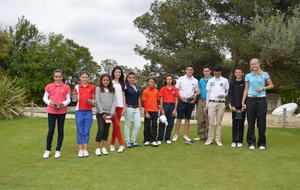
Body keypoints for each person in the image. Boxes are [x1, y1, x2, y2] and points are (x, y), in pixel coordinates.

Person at [242, 58, 274, 150]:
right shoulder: (248, 76)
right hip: (250, 99)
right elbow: (246, 89)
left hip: (261, 100)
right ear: (250, 66)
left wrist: (263, 88)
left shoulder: (264, 74)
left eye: (255, 64)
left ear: (259, 64)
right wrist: (243, 101)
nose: (254, 66)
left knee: (261, 122)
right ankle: (251, 143)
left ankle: (262, 143)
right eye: (252, 64)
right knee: (250, 121)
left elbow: (271, 85)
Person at [42, 69, 71, 159]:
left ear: (62, 77)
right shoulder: (49, 86)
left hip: (61, 112)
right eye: (56, 76)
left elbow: (68, 99)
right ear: (53, 77)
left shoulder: (66, 87)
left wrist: (62, 104)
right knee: (51, 130)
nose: (58, 78)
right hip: (51, 111)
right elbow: (45, 98)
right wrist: (50, 103)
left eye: (59, 76)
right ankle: (47, 150)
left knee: (60, 130)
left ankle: (58, 150)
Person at [172, 64, 199, 142]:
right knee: (179, 118)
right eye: (188, 69)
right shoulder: (181, 79)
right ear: (186, 71)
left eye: (191, 70)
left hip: (190, 101)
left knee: (187, 118)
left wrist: (194, 99)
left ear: (193, 71)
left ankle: (186, 135)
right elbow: (176, 90)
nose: (190, 71)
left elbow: (196, 91)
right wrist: (180, 98)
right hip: (181, 100)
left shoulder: (195, 80)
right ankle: (176, 135)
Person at [205, 66, 229, 147]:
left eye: (218, 72)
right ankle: (209, 139)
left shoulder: (225, 80)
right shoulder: (210, 80)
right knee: (211, 122)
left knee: (218, 122)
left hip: (221, 103)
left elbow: (228, 91)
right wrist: (207, 105)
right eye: (215, 72)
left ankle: (218, 140)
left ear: (221, 72)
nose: (216, 73)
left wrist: (224, 95)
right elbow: (208, 93)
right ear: (213, 72)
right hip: (211, 103)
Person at [73, 71, 96, 158]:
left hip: (88, 111)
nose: (84, 79)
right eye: (83, 77)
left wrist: (92, 102)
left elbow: (94, 100)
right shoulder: (76, 87)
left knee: (86, 130)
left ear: (88, 78)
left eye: (86, 77)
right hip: (79, 111)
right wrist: (75, 97)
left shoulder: (92, 87)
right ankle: (80, 149)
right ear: (80, 78)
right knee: (80, 130)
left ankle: (85, 149)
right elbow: (74, 98)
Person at [95, 74, 117, 156]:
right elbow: (97, 101)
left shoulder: (112, 89)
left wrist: (111, 113)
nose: (105, 81)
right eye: (104, 80)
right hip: (101, 113)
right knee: (100, 130)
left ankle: (104, 147)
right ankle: (97, 148)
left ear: (109, 81)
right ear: (101, 81)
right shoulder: (98, 89)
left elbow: (114, 101)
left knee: (106, 130)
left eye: (107, 80)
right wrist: (102, 112)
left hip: (109, 114)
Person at [157, 74, 179, 145]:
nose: (169, 80)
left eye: (170, 79)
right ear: (165, 81)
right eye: (167, 79)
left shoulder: (175, 89)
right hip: (165, 105)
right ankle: (160, 138)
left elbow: (176, 99)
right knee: (162, 122)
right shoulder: (163, 89)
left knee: (170, 123)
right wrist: (162, 109)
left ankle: (167, 138)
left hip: (172, 106)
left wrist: (175, 109)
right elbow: (161, 99)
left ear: (172, 80)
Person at [194, 66, 212, 141]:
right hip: (201, 101)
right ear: (203, 72)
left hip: (210, 101)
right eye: (205, 71)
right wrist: (196, 93)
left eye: (207, 71)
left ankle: (208, 136)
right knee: (200, 119)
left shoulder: (213, 80)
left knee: (208, 119)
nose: (206, 72)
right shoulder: (201, 80)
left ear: (210, 71)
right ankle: (201, 136)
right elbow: (199, 90)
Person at [110, 66, 126, 153]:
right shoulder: (110, 83)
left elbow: (123, 96)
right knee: (117, 126)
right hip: (112, 107)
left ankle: (112, 144)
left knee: (115, 127)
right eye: (116, 72)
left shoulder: (122, 84)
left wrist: (124, 106)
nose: (118, 73)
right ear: (113, 73)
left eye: (119, 72)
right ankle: (121, 144)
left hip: (120, 107)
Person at [124, 72, 142, 148]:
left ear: (135, 78)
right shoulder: (125, 86)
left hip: (136, 108)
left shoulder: (137, 86)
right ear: (127, 78)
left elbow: (138, 97)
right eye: (130, 77)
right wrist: (124, 106)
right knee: (127, 125)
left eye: (133, 77)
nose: (132, 79)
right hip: (129, 108)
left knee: (138, 125)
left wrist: (140, 107)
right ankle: (128, 142)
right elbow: (123, 97)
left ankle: (133, 141)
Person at [228, 68, 245, 148]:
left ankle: (240, 141)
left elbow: (246, 95)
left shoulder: (245, 83)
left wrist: (244, 106)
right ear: (235, 74)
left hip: (242, 108)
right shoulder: (232, 83)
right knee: (234, 124)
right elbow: (230, 95)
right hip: (234, 107)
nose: (238, 73)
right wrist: (232, 105)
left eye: (239, 72)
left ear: (242, 73)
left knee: (241, 124)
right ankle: (234, 141)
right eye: (236, 72)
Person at [142, 77, 160, 147]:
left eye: (152, 82)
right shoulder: (145, 91)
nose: (151, 83)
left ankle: (153, 140)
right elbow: (144, 102)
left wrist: (159, 108)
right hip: (148, 111)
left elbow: (158, 101)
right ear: (147, 83)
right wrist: (146, 112)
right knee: (147, 126)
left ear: (154, 83)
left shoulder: (156, 91)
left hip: (155, 111)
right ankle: (146, 140)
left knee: (154, 126)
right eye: (150, 82)